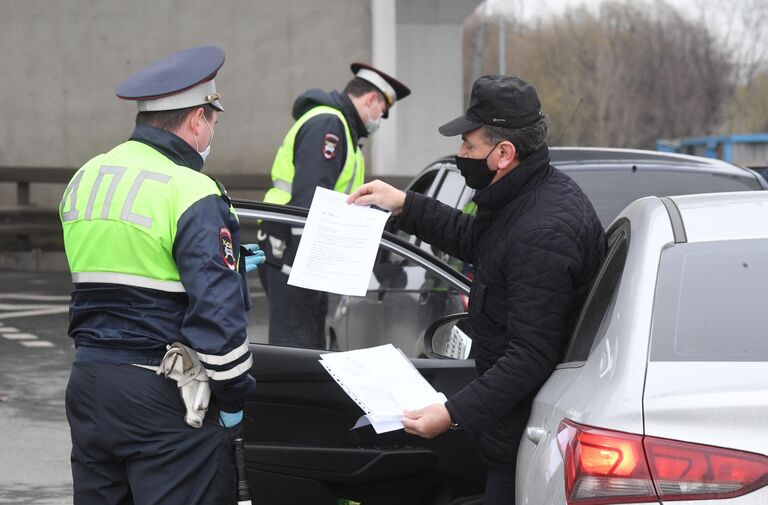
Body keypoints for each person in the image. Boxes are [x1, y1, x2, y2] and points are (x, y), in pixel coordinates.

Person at [347, 75, 606, 504]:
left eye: (468, 146)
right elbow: (481, 242)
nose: (460, 155)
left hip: (527, 436)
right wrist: (405, 205)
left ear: (503, 153)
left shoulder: (543, 230)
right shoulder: (524, 195)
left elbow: (530, 356)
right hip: (512, 424)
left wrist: (450, 415)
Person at [59, 46, 265, 505]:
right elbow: (216, 316)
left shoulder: (86, 176)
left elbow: (123, 267)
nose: (213, 130)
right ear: (196, 119)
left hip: (89, 382)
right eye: (213, 119)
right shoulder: (192, 189)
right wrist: (233, 399)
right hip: (163, 393)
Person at [259, 63, 410, 349]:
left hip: (301, 256)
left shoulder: (343, 131)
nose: (379, 119)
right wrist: (310, 265)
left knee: (309, 347)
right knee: (295, 351)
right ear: (371, 100)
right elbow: (309, 201)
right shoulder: (330, 125)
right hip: (295, 255)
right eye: (382, 112)